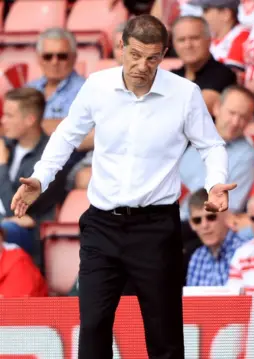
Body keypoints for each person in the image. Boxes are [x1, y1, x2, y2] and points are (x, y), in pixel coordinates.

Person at [10, 15, 236, 359]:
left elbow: (211, 145)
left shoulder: (185, 94)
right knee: (94, 325)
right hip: (102, 224)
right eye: (135, 55)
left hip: (156, 228)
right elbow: (67, 135)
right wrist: (40, 178)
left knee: (165, 335)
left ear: (164, 55)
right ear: (121, 48)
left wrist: (216, 182)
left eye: (152, 58)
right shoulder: (97, 86)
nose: (142, 66)